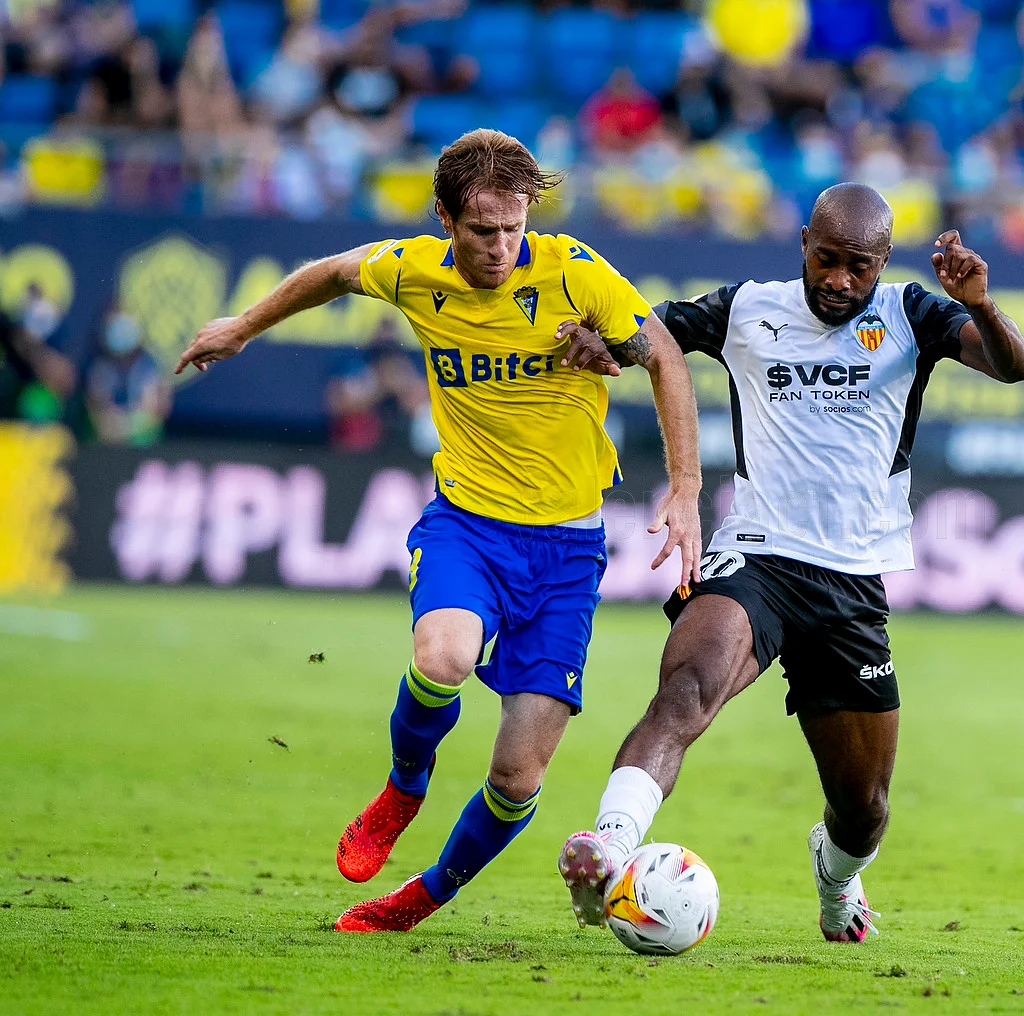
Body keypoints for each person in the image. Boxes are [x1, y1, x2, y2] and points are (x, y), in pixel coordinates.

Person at [174, 129, 704, 933]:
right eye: (482, 230)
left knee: (519, 779)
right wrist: (244, 326)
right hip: (468, 526)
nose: (500, 247)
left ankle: (418, 899)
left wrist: (687, 486)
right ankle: (403, 786)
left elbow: (664, 357)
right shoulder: (413, 270)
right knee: (444, 656)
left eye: (513, 228)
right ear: (446, 219)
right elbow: (330, 273)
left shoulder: (576, 273)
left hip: (567, 551)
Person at [556, 183, 1024, 942]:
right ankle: (608, 849)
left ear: (883, 263)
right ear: (804, 242)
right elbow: (653, 333)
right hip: (759, 556)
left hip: (850, 584)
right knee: (687, 690)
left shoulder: (913, 315)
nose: (840, 280)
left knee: (863, 807)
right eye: (827, 259)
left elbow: (1014, 368)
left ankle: (837, 880)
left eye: (860, 267)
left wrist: (980, 304)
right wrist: (602, 341)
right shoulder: (748, 308)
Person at [86, 309, 171, 445]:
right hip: (108, 440)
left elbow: (159, 409)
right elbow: (97, 409)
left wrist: (134, 424)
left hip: (145, 440)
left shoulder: (150, 366)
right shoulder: (100, 368)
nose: (121, 332)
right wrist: (114, 424)